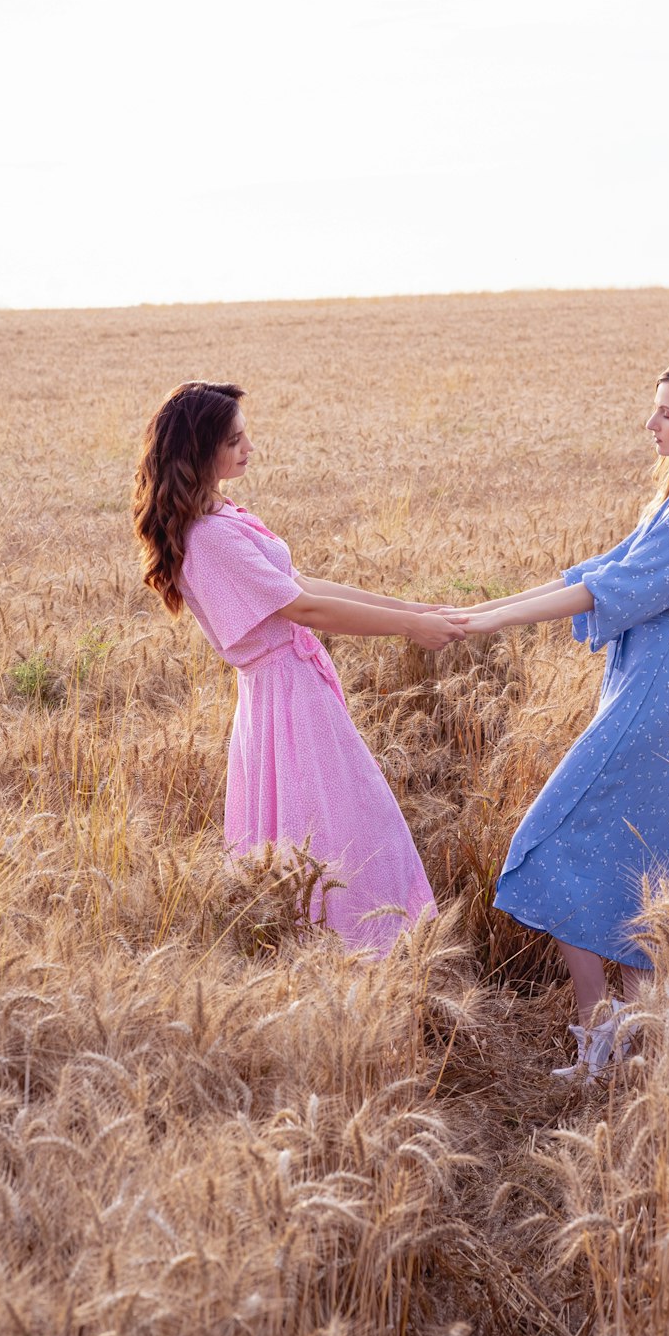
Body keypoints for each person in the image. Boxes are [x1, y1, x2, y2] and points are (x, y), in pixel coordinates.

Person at [460, 362, 669, 1075]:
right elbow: (594, 570)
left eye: (666, 413)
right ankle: (624, 1040)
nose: (651, 425)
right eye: (655, 411)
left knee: (551, 836)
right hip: (635, 677)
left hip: (653, 686)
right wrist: (483, 613)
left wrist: (489, 622)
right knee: (629, 861)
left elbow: (612, 588)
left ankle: (601, 1033)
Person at [133, 380, 466, 955]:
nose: (249, 448)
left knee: (330, 823)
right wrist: (409, 628)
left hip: (287, 691)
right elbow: (301, 607)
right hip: (286, 700)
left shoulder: (222, 516)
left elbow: (300, 586)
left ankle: (354, 952)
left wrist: (409, 609)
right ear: (199, 448)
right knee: (341, 825)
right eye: (234, 440)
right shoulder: (209, 537)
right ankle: (361, 952)